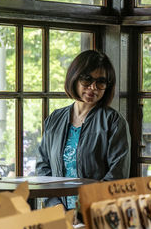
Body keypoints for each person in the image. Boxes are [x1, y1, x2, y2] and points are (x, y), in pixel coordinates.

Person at [36, 50, 131, 209]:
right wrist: (55, 206)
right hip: (57, 214)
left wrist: (83, 210)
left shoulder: (114, 122)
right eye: (87, 79)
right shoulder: (54, 119)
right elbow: (43, 168)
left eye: (101, 82)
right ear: (74, 78)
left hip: (97, 214)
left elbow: (117, 176)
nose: (93, 87)